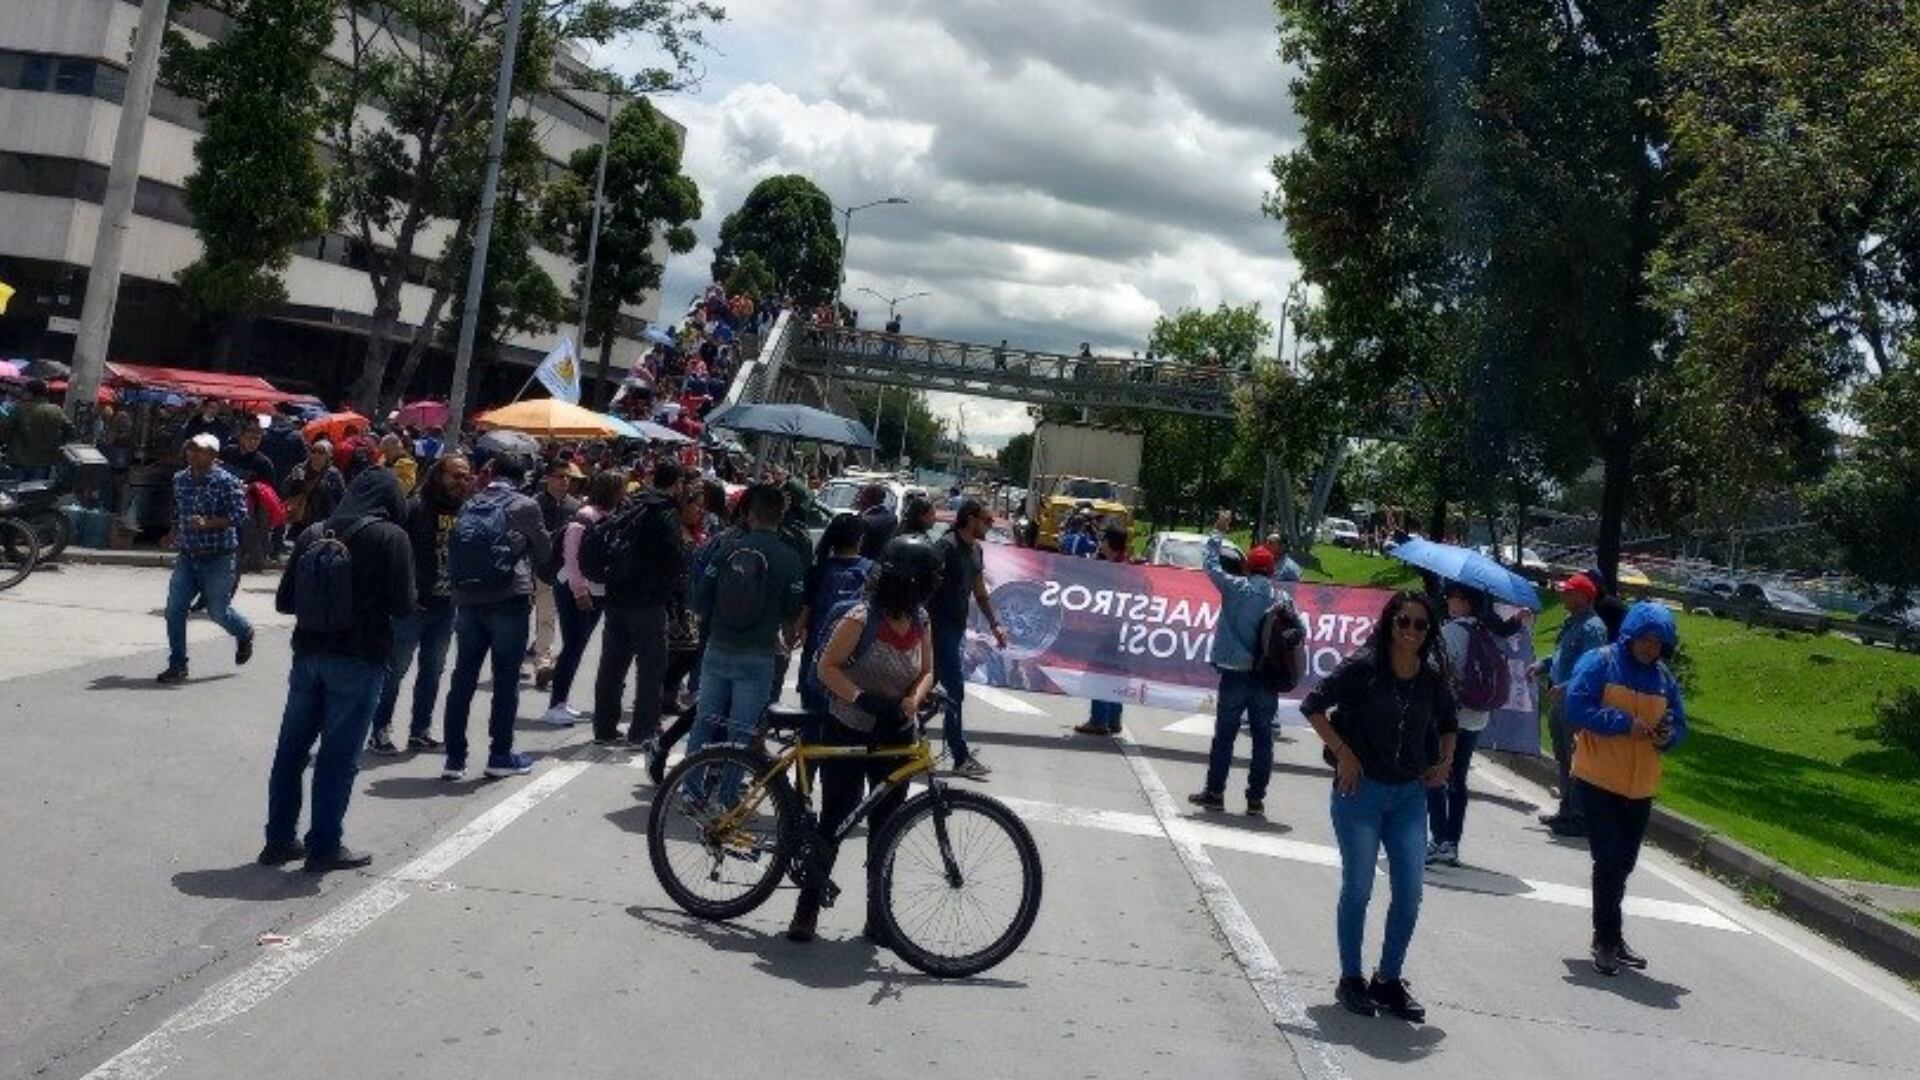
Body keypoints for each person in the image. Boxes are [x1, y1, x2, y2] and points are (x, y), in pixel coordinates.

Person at [1302, 590, 1457, 1022]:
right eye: (1402, 621)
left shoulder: (1431, 678)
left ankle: (1388, 981)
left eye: (1420, 625)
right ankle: (1350, 978)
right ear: (1389, 623)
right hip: (1361, 794)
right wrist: (1344, 754)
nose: (1410, 631)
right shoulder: (1363, 668)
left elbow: (1449, 724)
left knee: (1410, 893)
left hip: (1409, 795)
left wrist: (1444, 761)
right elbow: (1313, 706)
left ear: (1429, 632)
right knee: (1359, 888)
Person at [786, 537, 940, 945]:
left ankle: (879, 917)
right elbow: (826, 668)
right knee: (835, 818)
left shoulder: (921, 619)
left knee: (886, 827)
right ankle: (807, 908)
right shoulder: (860, 618)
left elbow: (927, 671)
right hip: (848, 728)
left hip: (896, 736)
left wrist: (913, 699)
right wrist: (862, 698)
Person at [261, 470, 415, 873]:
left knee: (291, 751)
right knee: (338, 756)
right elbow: (403, 605)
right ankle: (324, 846)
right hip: (360, 659)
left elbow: (284, 602)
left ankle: (278, 840)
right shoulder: (391, 537)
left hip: (308, 655)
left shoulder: (315, 531)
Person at [1567, 602, 1687, 976]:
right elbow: (1575, 705)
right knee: (1609, 858)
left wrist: (1668, 735)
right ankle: (1605, 939)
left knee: (1624, 863)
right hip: (1597, 778)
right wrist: (1621, 722)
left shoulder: (1664, 678)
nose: (1652, 648)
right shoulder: (1600, 662)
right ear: (1631, 636)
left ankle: (1612, 936)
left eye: (1659, 642)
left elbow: (1678, 724)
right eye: (1646, 640)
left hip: (1640, 786)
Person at [440, 454, 550, 781]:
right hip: (508, 598)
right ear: (522, 478)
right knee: (505, 681)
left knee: (463, 679)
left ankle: (453, 759)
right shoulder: (526, 505)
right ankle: (499, 754)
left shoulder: (472, 502)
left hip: (468, 599)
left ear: (492, 474)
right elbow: (544, 552)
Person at [687, 483, 806, 754]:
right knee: (741, 733)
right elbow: (792, 609)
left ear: (750, 514)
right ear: (781, 515)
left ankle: (691, 786)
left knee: (704, 722)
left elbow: (700, 599)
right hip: (759, 651)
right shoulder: (790, 558)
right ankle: (730, 795)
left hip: (718, 645)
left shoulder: (728, 547)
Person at [368, 455, 471, 755]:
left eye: (466, 477)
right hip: (410, 608)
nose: (461, 482)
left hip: (446, 606)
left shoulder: (465, 511)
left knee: (433, 671)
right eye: (455, 476)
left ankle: (420, 730)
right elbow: (392, 551)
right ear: (439, 475)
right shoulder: (414, 508)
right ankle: (379, 729)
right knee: (394, 670)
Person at [1190, 514, 1284, 815]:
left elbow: (1210, 564)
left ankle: (1215, 792)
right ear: (1271, 570)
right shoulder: (1281, 597)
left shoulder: (1235, 588)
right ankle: (1256, 799)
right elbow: (1300, 634)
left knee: (1225, 736)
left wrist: (1218, 532)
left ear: (1247, 567)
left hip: (1234, 674)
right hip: (1266, 678)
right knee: (1263, 740)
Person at [1426, 582, 1523, 865]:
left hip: (1447, 718)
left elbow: (1433, 670)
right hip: (1476, 717)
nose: (1448, 602)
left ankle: (1439, 837)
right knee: (1459, 778)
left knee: (1435, 775)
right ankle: (1452, 843)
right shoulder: (1487, 631)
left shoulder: (1450, 632)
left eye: (1453, 598)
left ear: (1466, 602)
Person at [591, 462, 687, 747]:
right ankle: (642, 731)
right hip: (648, 601)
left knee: (611, 665)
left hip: (618, 595)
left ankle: (605, 728)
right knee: (650, 668)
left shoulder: (630, 504)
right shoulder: (666, 511)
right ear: (677, 484)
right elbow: (673, 558)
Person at [158, 434, 256, 684]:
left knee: (218, 612)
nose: (192, 454)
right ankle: (178, 664)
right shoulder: (180, 480)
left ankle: (244, 632)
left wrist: (209, 523)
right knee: (174, 611)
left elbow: (241, 516)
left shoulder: (227, 482)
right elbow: (178, 510)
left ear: (213, 455)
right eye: (190, 449)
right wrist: (173, 532)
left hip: (219, 558)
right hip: (188, 556)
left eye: (199, 450)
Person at [928, 499, 1009, 778]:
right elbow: (928, 585)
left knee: (926, 687)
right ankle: (960, 757)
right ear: (970, 519)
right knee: (954, 691)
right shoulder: (946, 547)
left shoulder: (975, 550)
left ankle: (906, 739)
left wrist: (995, 624)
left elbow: (980, 592)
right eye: (987, 521)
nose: (990, 526)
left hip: (956, 628)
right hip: (937, 628)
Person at [544, 470, 624, 725]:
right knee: (573, 646)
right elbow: (571, 557)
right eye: (621, 488)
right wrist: (580, 592)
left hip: (597, 591)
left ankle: (562, 700)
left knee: (577, 646)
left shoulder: (610, 516)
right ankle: (555, 704)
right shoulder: (584, 517)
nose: (625, 493)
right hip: (575, 588)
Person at [1536, 573, 1610, 836]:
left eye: (1569, 592)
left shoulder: (1593, 628)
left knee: (1577, 758)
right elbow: (1561, 656)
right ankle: (1566, 811)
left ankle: (1579, 816)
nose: (1563, 595)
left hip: (1576, 702)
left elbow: (1594, 667)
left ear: (1584, 596)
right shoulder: (1571, 622)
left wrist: (1566, 686)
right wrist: (1542, 666)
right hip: (1560, 701)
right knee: (1563, 756)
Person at [797, 514, 876, 712]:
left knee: (813, 723)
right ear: (860, 539)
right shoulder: (873, 570)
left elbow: (803, 616)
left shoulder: (818, 570)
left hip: (817, 655)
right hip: (858, 661)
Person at [1075, 523, 1131, 737]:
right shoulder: (1127, 567)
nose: (1100, 543)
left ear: (1109, 543)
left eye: (1103, 540)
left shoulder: (1112, 571)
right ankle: (1114, 718)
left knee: (1098, 673)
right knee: (1116, 673)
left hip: (1110, 630)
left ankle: (1099, 719)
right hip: (1125, 630)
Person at [530, 461, 581, 692]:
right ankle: (536, 660)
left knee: (548, 618)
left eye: (568, 477)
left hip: (560, 572)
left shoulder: (575, 507)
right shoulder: (534, 504)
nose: (564, 481)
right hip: (533, 568)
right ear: (547, 478)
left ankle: (543, 663)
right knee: (532, 616)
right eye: (559, 476)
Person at [221, 423, 278, 574]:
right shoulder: (228, 453)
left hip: (250, 506)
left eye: (257, 439)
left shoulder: (263, 463)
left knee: (248, 535)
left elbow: (270, 489)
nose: (253, 442)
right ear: (241, 438)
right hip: (224, 500)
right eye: (250, 438)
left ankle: (249, 562)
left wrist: (252, 487)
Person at [0, 379, 74, 480]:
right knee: (38, 491)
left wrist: (6, 444)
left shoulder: (20, 408)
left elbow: (5, 428)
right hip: (45, 460)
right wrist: (58, 443)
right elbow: (70, 430)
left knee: (17, 491)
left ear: (30, 393)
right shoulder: (55, 410)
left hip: (19, 459)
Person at [282, 440, 345, 535]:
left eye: (321, 452)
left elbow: (341, 497)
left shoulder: (333, 474)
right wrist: (293, 480)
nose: (316, 455)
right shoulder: (300, 469)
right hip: (300, 520)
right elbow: (285, 490)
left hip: (322, 523)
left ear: (328, 456)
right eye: (313, 451)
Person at [853, 484, 896, 560]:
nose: (858, 499)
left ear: (867, 499)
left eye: (861, 496)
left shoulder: (864, 521)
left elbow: (859, 550)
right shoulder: (892, 517)